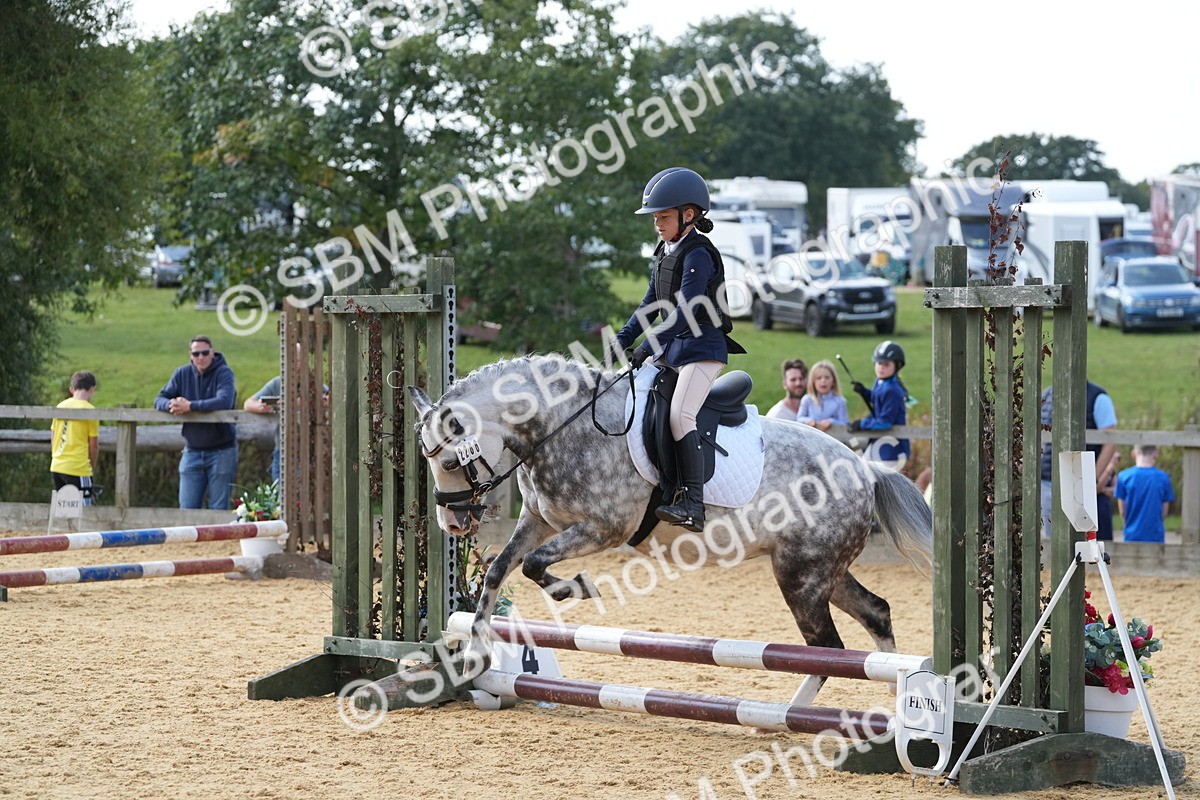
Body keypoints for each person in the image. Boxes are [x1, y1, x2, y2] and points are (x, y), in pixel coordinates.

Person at [610, 167, 744, 533]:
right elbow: (651, 302)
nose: (657, 223)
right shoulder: (665, 251)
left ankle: (693, 504)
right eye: (655, 217)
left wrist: (649, 345)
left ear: (689, 215)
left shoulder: (699, 255)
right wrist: (624, 338)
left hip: (702, 348)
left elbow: (685, 308)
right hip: (674, 347)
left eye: (663, 216)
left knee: (680, 416)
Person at [155, 335, 238, 510]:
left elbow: (224, 401)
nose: (200, 357)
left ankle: (217, 539)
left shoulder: (224, 373)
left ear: (212, 352)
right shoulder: (182, 373)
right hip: (192, 450)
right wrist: (171, 404)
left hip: (221, 450)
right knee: (187, 508)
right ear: (190, 355)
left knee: (218, 508)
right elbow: (159, 399)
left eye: (205, 353)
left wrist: (190, 406)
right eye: (196, 353)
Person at [1039, 380, 1117, 540]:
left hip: (1080, 481)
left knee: (1085, 540)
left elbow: (1110, 441)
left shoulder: (1098, 398)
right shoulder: (1046, 396)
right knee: (1051, 540)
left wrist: (1090, 480)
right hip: (1048, 482)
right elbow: (1038, 439)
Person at [847, 341, 911, 469]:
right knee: (862, 472)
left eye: (886, 364)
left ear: (896, 366)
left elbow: (885, 422)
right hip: (878, 443)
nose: (881, 368)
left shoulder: (893, 390)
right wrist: (865, 393)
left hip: (891, 450)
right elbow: (879, 400)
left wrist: (862, 424)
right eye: (879, 363)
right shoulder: (880, 382)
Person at [50, 371, 100, 505]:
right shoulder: (90, 411)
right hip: (78, 467)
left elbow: (53, 437)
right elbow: (93, 446)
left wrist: (56, 456)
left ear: (72, 389)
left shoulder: (60, 406)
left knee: (63, 511)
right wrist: (91, 465)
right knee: (83, 512)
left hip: (57, 466)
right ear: (92, 389)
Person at [1115, 444, 1175, 543]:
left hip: (1131, 535)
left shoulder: (1123, 477)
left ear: (1133, 453)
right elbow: (1164, 512)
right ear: (1156, 453)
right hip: (1155, 536)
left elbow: (1122, 512)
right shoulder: (1164, 478)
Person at [244, 375, 282, 482]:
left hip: (310, 453)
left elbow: (328, 399)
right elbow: (248, 403)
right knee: (281, 495)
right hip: (282, 451)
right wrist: (260, 407)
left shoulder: (314, 383)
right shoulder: (277, 383)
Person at [797, 359, 849, 432]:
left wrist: (831, 422)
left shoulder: (840, 401)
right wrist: (808, 421)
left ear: (833, 381)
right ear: (813, 382)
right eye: (818, 378)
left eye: (827, 377)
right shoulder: (807, 400)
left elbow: (845, 423)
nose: (823, 381)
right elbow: (799, 419)